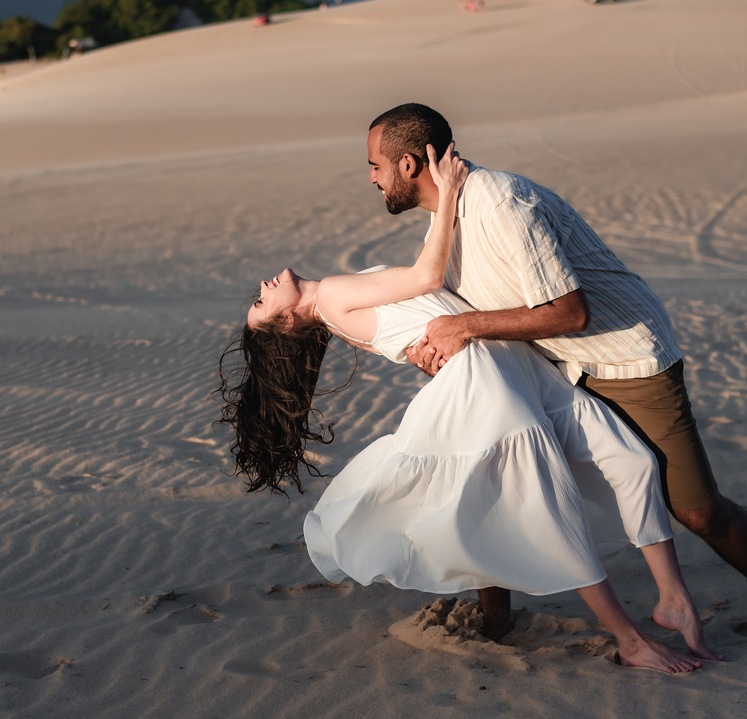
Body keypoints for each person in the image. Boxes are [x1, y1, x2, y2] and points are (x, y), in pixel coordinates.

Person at [217, 145, 720, 672]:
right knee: (547, 510)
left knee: (630, 461)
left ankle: (673, 599)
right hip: (488, 383)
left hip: (516, 366)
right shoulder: (334, 295)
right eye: (261, 304)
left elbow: (419, 333)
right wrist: (451, 192)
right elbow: (428, 278)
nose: (262, 288)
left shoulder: (338, 308)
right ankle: (630, 638)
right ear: (289, 323)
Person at [366, 103, 747, 650]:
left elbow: (571, 312)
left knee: (697, 509)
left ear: (407, 165)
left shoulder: (499, 202)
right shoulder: (447, 215)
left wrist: (466, 327)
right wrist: (439, 344)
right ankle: (495, 621)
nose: (370, 178)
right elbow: (448, 306)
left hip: (623, 356)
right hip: (554, 364)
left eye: (374, 165)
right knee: (485, 463)